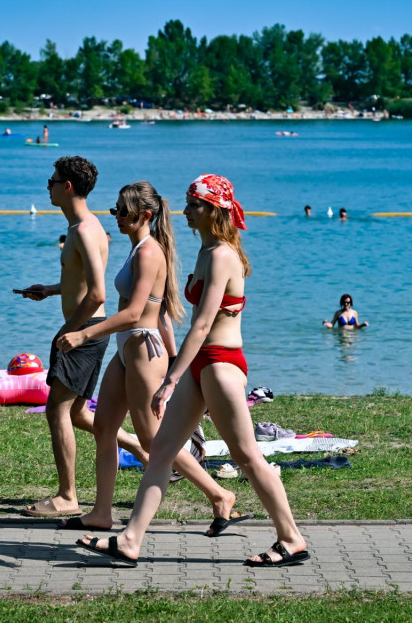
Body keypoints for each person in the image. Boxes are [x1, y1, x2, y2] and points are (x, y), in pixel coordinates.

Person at [76, 174, 309, 568]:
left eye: (195, 205)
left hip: (220, 364)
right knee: (162, 451)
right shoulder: (208, 250)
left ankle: (291, 538)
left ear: (214, 210)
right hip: (203, 365)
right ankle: (130, 541)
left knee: (247, 456)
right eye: (187, 203)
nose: (186, 211)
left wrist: (170, 378)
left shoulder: (221, 256)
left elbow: (202, 324)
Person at [57, 181, 241, 534]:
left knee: (152, 440)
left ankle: (219, 495)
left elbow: (134, 313)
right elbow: (160, 314)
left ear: (144, 215)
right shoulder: (136, 247)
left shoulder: (148, 252)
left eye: (122, 212)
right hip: (128, 348)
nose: (116, 217)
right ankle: (101, 513)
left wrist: (83, 334)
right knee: (104, 428)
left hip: (142, 349)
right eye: (114, 210)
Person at [18, 156, 147, 518]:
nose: (48, 185)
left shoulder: (85, 230)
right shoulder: (82, 228)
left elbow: (98, 294)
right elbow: (82, 285)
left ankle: (67, 496)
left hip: (85, 333)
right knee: (74, 413)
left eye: (53, 180)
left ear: (68, 187)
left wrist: (70, 330)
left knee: (56, 409)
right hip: (86, 332)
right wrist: (51, 289)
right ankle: (136, 445)